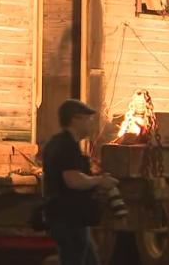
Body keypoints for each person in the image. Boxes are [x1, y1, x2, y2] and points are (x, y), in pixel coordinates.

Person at [42, 99, 126, 265]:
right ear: (75, 119)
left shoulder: (59, 143)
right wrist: (100, 181)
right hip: (68, 217)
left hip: (70, 217)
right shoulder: (66, 145)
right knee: (74, 260)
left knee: (89, 260)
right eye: (88, 119)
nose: (91, 124)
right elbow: (73, 180)